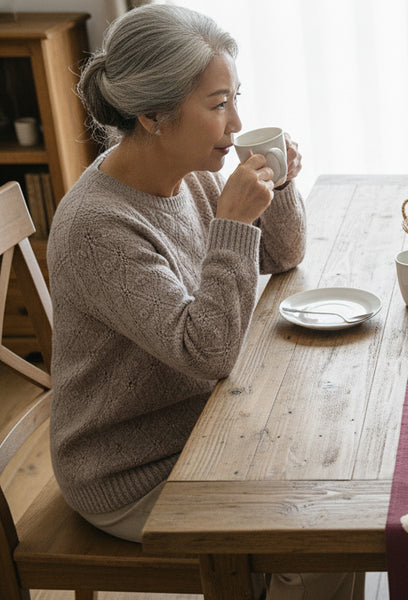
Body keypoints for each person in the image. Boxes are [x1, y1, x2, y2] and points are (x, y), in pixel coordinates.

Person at [47, 5, 353, 598]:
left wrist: (279, 187)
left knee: (336, 452)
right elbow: (208, 350)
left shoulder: (191, 170)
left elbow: (282, 255)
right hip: (132, 469)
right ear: (153, 116)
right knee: (323, 529)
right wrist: (233, 225)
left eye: (237, 98)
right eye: (218, 106)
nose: (236, 122)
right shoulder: (98, 227)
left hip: (207, 422)